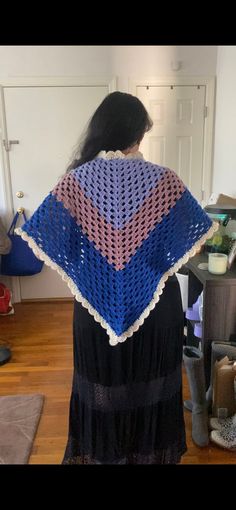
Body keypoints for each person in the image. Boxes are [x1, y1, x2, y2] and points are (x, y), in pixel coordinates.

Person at [15, 91, 217, 464]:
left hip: (94, 311)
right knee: (152, 390)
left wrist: (91, 273)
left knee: (102, 393)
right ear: (136, 135)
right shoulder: (163, 182)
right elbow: (196, 243)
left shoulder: (75, 182)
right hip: (157, 309)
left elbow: (49, 241)